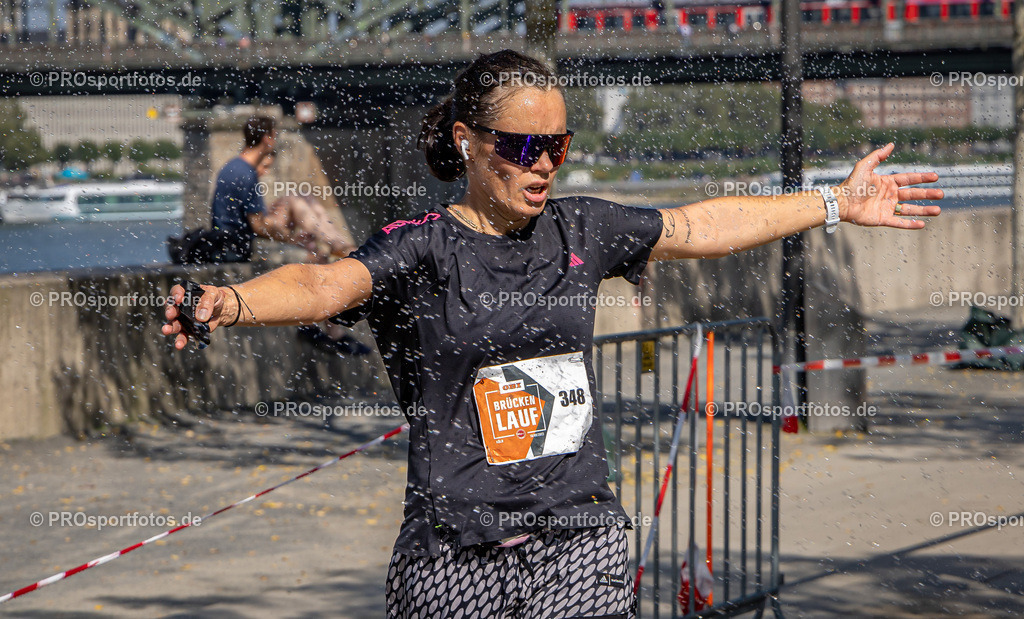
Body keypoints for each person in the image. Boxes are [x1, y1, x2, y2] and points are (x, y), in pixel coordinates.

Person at [163, 50, 943, 618]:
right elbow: (323, 284)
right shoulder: (421, 247)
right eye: (522, 147)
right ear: (470, 143)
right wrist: (223, 303)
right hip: (452, 552)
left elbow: (703, 224)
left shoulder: (582, 229)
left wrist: (833, 203)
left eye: (558, 147)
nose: (543, 166)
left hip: (582, 536)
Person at [210, 115, 355, 263]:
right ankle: (340, 246)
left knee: (301, 196)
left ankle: (338, 244)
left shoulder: (234, 166)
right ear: (267, 138)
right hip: (238, 247)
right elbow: (259, 226)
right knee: (296, 203)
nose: (275, 141)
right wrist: (292, 239)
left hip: (230, 240)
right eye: (275, 136)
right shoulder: (246, 173)